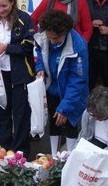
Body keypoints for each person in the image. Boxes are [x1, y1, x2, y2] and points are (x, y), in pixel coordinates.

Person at [0, 0, 35, 156]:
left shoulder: (24, 19)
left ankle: (20, 151)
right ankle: (2, 148)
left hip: (19, 74)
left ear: (12, 2)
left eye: (4, 6)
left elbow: (28, 46)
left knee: (20, 114)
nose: (1, 10)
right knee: (0, 111)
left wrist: (6, 48)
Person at [34, 9, 88, 155]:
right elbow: (38, 51)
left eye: (56, 38)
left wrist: (65, 108)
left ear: (64, 32)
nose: (52, 41)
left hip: (70, 91)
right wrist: (40, 68)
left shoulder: (78, 46)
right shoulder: (44, 35)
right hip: (52, 88)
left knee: (69, 123)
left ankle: (69, 159)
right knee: (54, 123)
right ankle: (53, 157)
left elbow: (77, 81)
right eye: (49, 37)